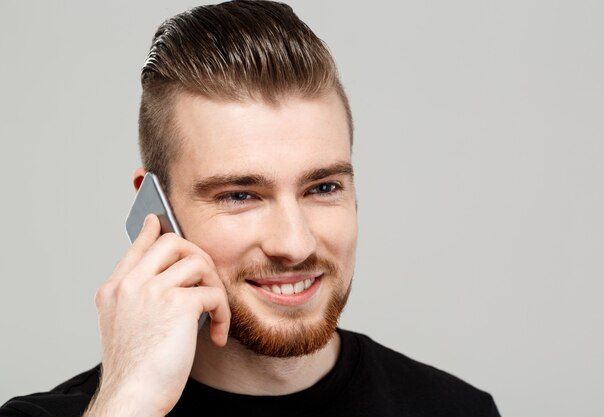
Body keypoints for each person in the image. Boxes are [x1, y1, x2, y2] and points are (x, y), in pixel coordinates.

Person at [1, 1, 501, 416]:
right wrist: (129, 402)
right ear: (155, 215)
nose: (295, 243)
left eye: (323, 187)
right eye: (240, 195)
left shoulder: (457, 409)